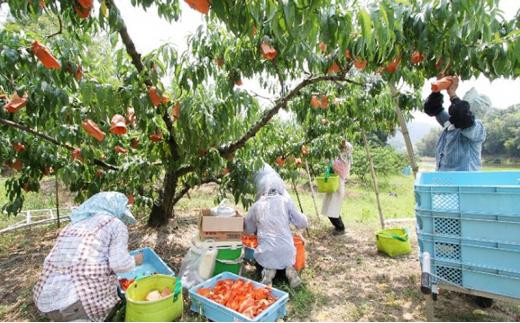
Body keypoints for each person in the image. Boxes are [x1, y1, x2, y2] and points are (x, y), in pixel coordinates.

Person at [33, 192, 143, 321]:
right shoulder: (115, 224)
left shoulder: (73, 225)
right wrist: (136, 259)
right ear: (115, 208)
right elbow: (120, 264)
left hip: (46, 301)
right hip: (79, 303)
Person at [245, 167, 308, 288]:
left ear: (261, 189)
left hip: (265, 256)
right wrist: (304, 218)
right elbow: (302, 223)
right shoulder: (286, 201)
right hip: (287, 254)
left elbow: (248, 229)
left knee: (266, 258)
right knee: (286, 256)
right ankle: (290, 271)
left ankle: (268, 274)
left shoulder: (256, 205)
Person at [423, 76, 487, 171]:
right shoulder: (452, 124)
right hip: (445, 181)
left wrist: (452, 93)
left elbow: (462, 116)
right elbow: (433, 109)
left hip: (464, 183)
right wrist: (438, 89)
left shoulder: (477, 128)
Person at [321, 139, 353, 236]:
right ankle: (338, 227)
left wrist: (328, 158)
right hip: (334, 184)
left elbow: (331, 163)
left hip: (337, 185)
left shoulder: (344, 160)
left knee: (333, 208)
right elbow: (330, 165)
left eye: (342, 148)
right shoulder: (341, 158)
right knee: (330, 208)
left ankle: (340, 228)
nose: (340, 149)